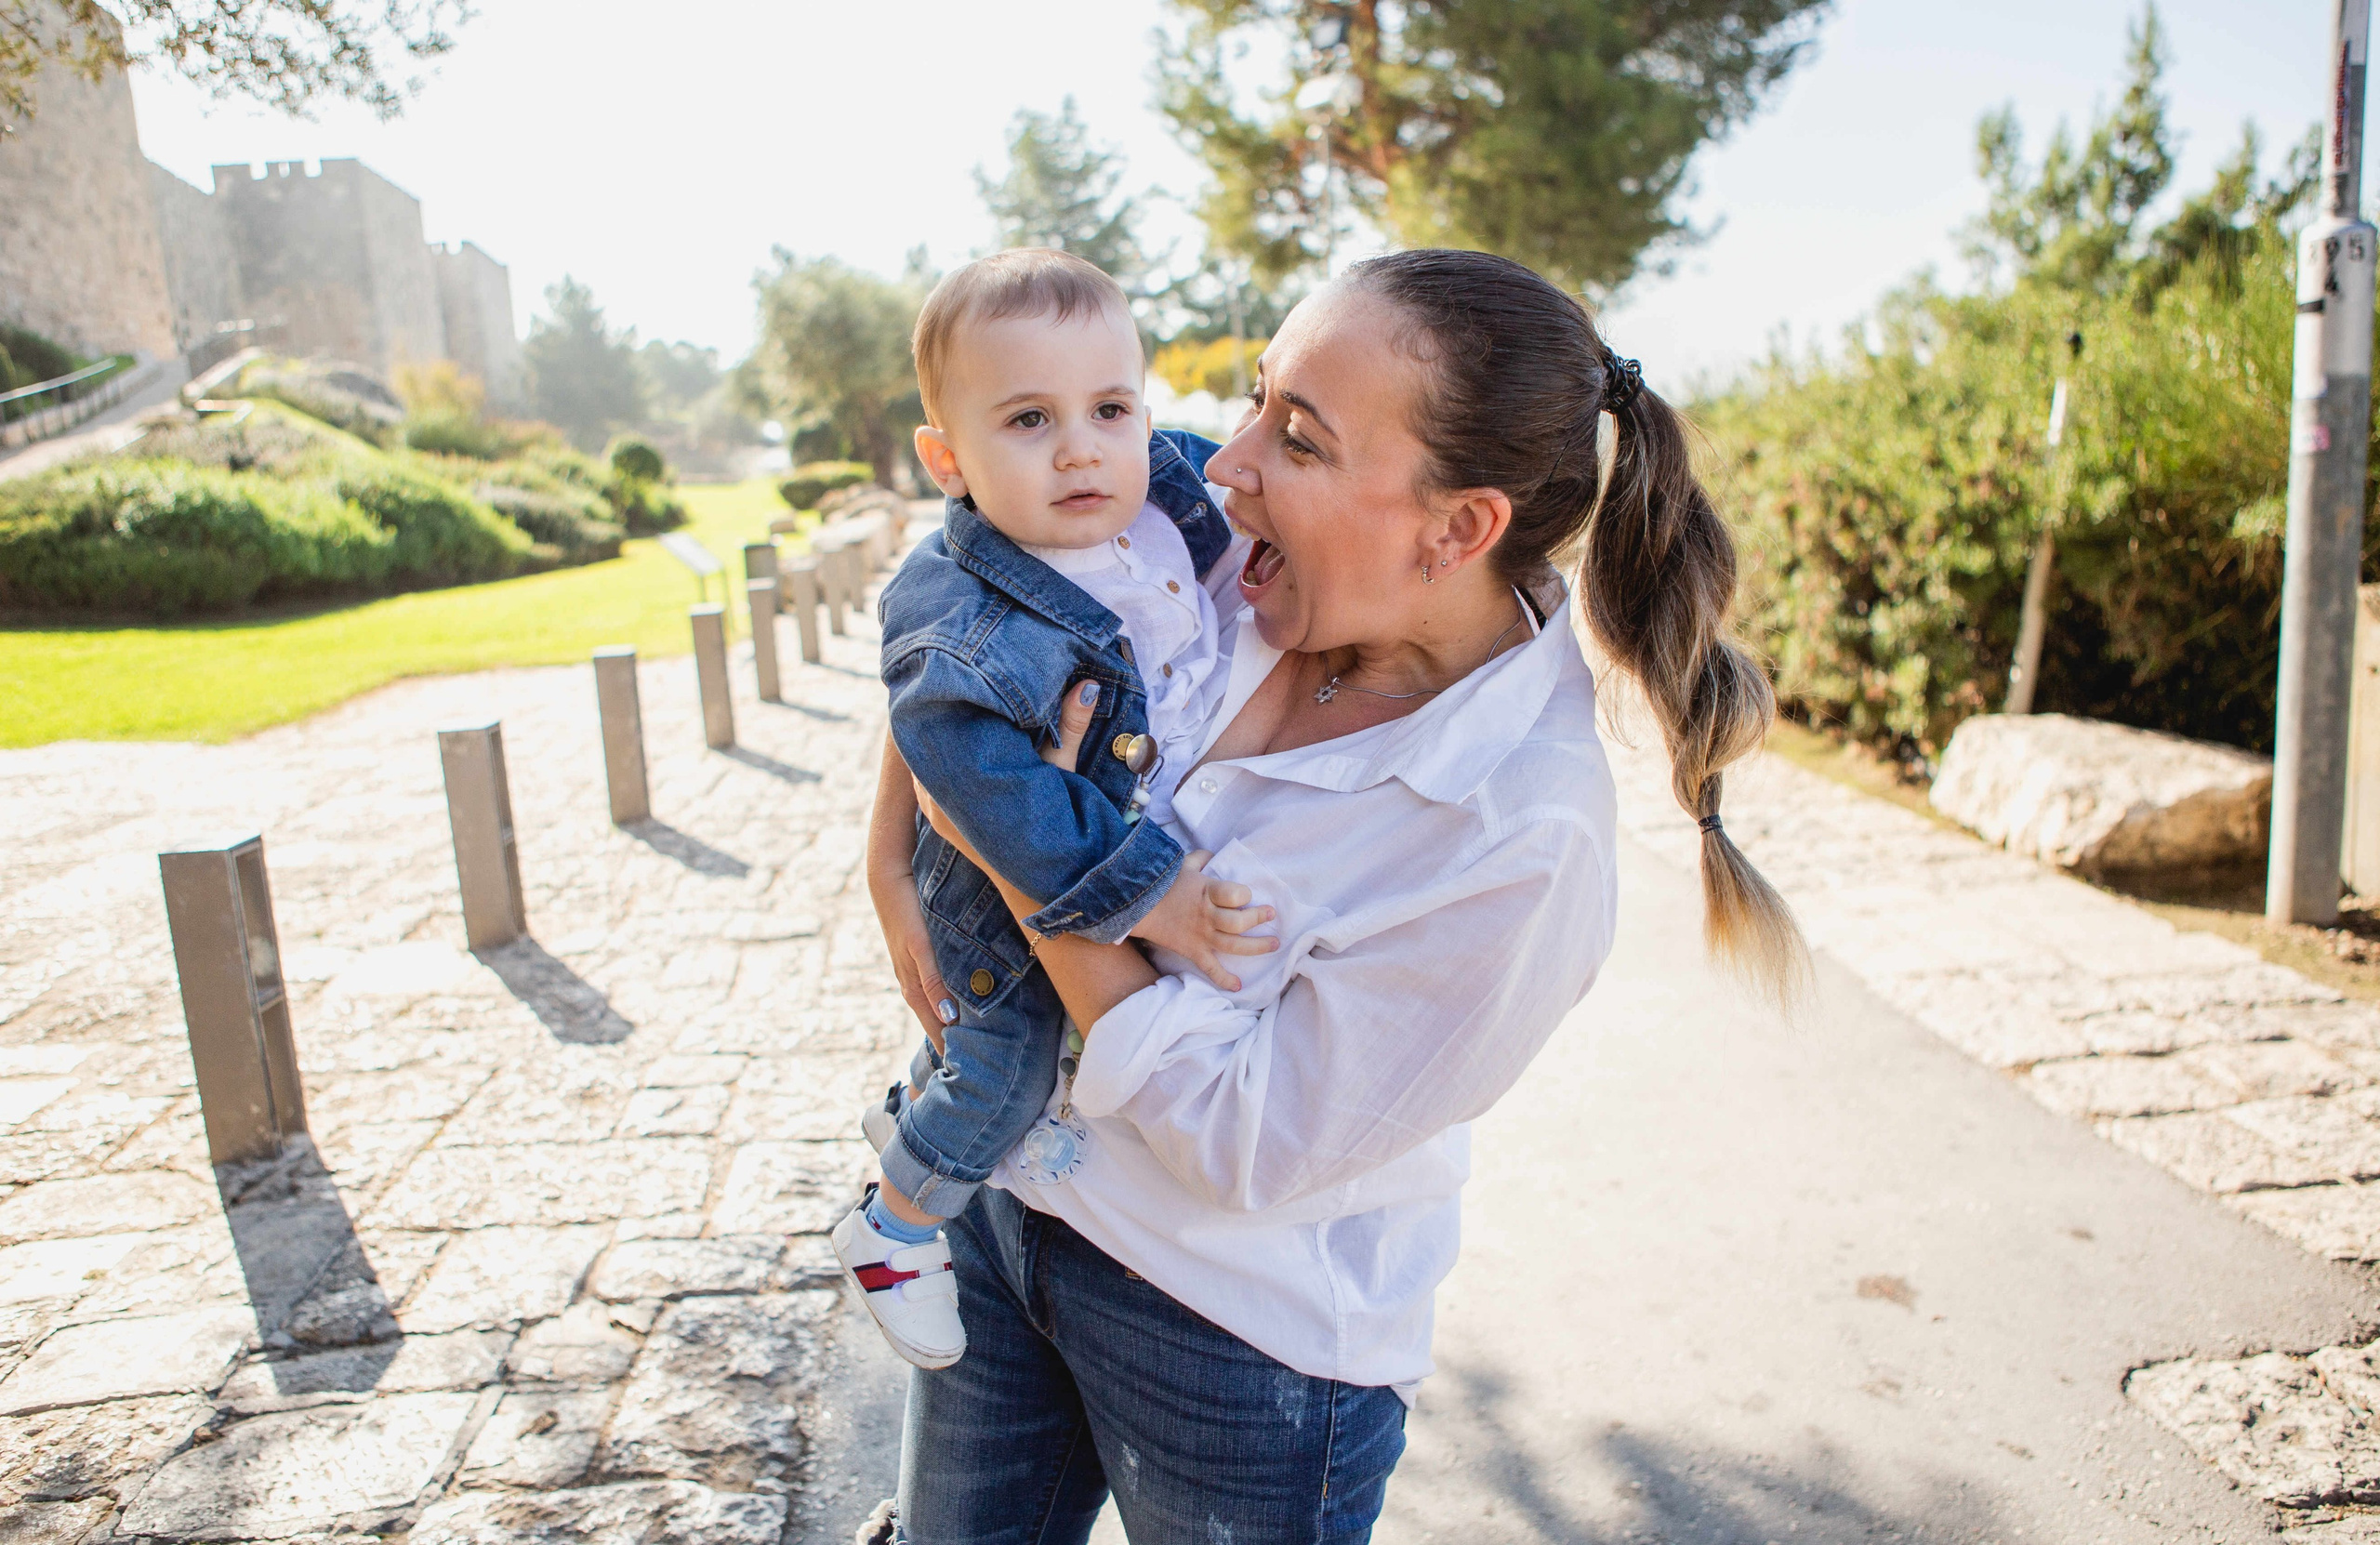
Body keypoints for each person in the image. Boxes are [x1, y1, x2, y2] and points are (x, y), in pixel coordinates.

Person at [864, 248, 1806, 1545]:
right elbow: (985, 595)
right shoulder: (1223, 548)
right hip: (1009, 1197)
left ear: (1457, 526)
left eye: (1296, 437)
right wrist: (897, 820)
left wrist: (1021, 865)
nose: (1229, 458)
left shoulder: (1523, 833)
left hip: (1227, 1336)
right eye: (1255, 398)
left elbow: (1240, 1136)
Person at [833, 248, 1276, 1370]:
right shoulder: (956, 603)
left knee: (999, 1053)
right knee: (1015, 1056)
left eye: (1109, 407)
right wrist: (1152, 897)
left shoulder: (1164, 494)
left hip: (1074, 833)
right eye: (1028, 419)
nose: (1083, 447)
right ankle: (898, 1221)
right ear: (949, 459)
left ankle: (917, 1110)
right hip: (1015, 865)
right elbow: (978, 789)